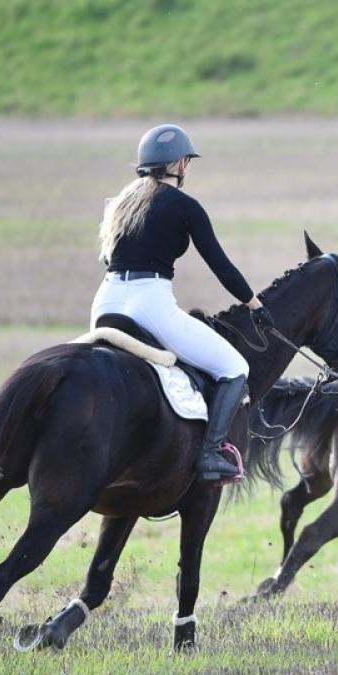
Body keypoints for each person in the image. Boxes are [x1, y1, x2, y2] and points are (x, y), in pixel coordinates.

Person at [92, 124, 273, 483]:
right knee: (234, 368)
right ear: (180, 165)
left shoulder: (121, 204)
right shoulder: (185, 207)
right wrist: (254, 304)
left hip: (106, 300)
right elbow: (221, 266)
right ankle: (210, 455)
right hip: (150, 303)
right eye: (187, 161)